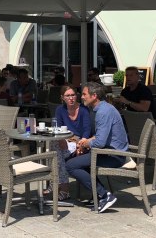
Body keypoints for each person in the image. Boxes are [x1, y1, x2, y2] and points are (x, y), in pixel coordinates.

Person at [65, 82, 128, 213]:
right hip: (108, 151)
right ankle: (98, 195)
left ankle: (104, 195)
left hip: (114, 156)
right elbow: (99, 136)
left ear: (94, 96)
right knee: (74, 159)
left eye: (84, 94)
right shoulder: (103, 108)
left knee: (71, 165)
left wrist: (85, 144)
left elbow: (99, 143)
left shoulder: (103, 112)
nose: (82, 97)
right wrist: (85, 141)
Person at [46, 85, 91, 202]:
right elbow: (58, 128)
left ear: (76, 96)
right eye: (67, 96)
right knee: (55, 146)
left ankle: (57, 183)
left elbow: (87, 130)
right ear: (62, 98)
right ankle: (61, 186)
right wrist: (62, 139)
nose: (71, 98)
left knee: (56, 151)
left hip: (80, 141)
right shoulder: (60, 110)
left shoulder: (83, 110)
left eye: (73, 95)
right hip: (65, 139)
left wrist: (81, 142)